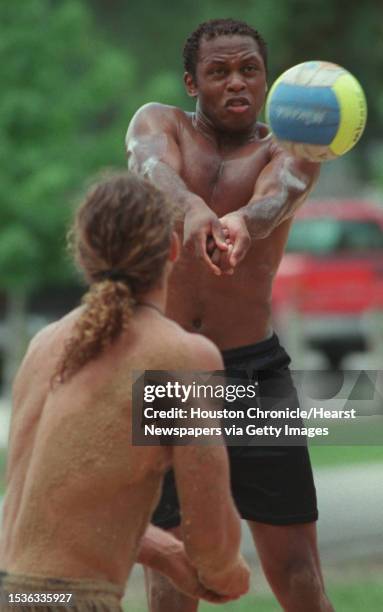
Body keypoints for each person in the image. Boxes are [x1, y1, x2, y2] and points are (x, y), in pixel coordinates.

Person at [126, 17, 335, 612]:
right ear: (192, 83)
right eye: (219, 72)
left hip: (255, 375)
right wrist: (191, 207)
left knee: (297, 573)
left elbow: (278, 197)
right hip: (170, 374)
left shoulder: (291, 147)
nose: (237, 82)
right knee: (172, 572)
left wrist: (245, 220)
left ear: (267, 80)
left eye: (250, 70)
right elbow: (151, 170)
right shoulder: (157, 122)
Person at [0, 173, 250, 611]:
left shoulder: (43, 347)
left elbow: (62, 509)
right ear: (173, 249)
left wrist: (165, 553)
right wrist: (227, 573)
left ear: (82, 255)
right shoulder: (180, 357)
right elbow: (212, 540)